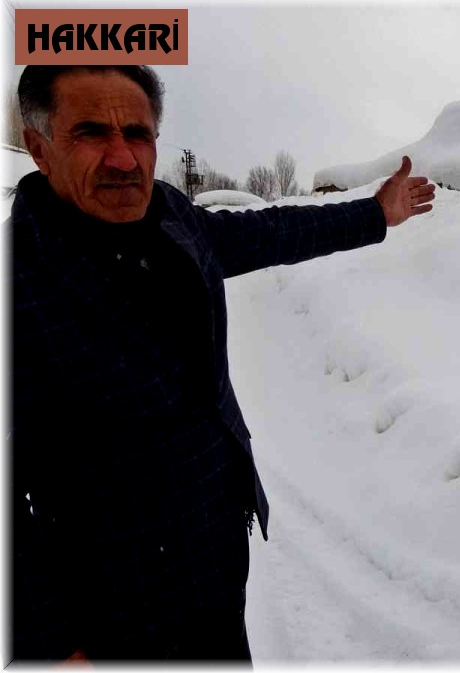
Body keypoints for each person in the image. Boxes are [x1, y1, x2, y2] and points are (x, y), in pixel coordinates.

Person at [7, 64, 435, 663]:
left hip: (214, 559)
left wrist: (375, 215)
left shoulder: (172, 217)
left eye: (137, 133)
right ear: (39, 147)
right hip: (110, 614)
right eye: (90, 133)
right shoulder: (17, 282)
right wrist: (48, 644)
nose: (123, 159)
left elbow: (270, 231)